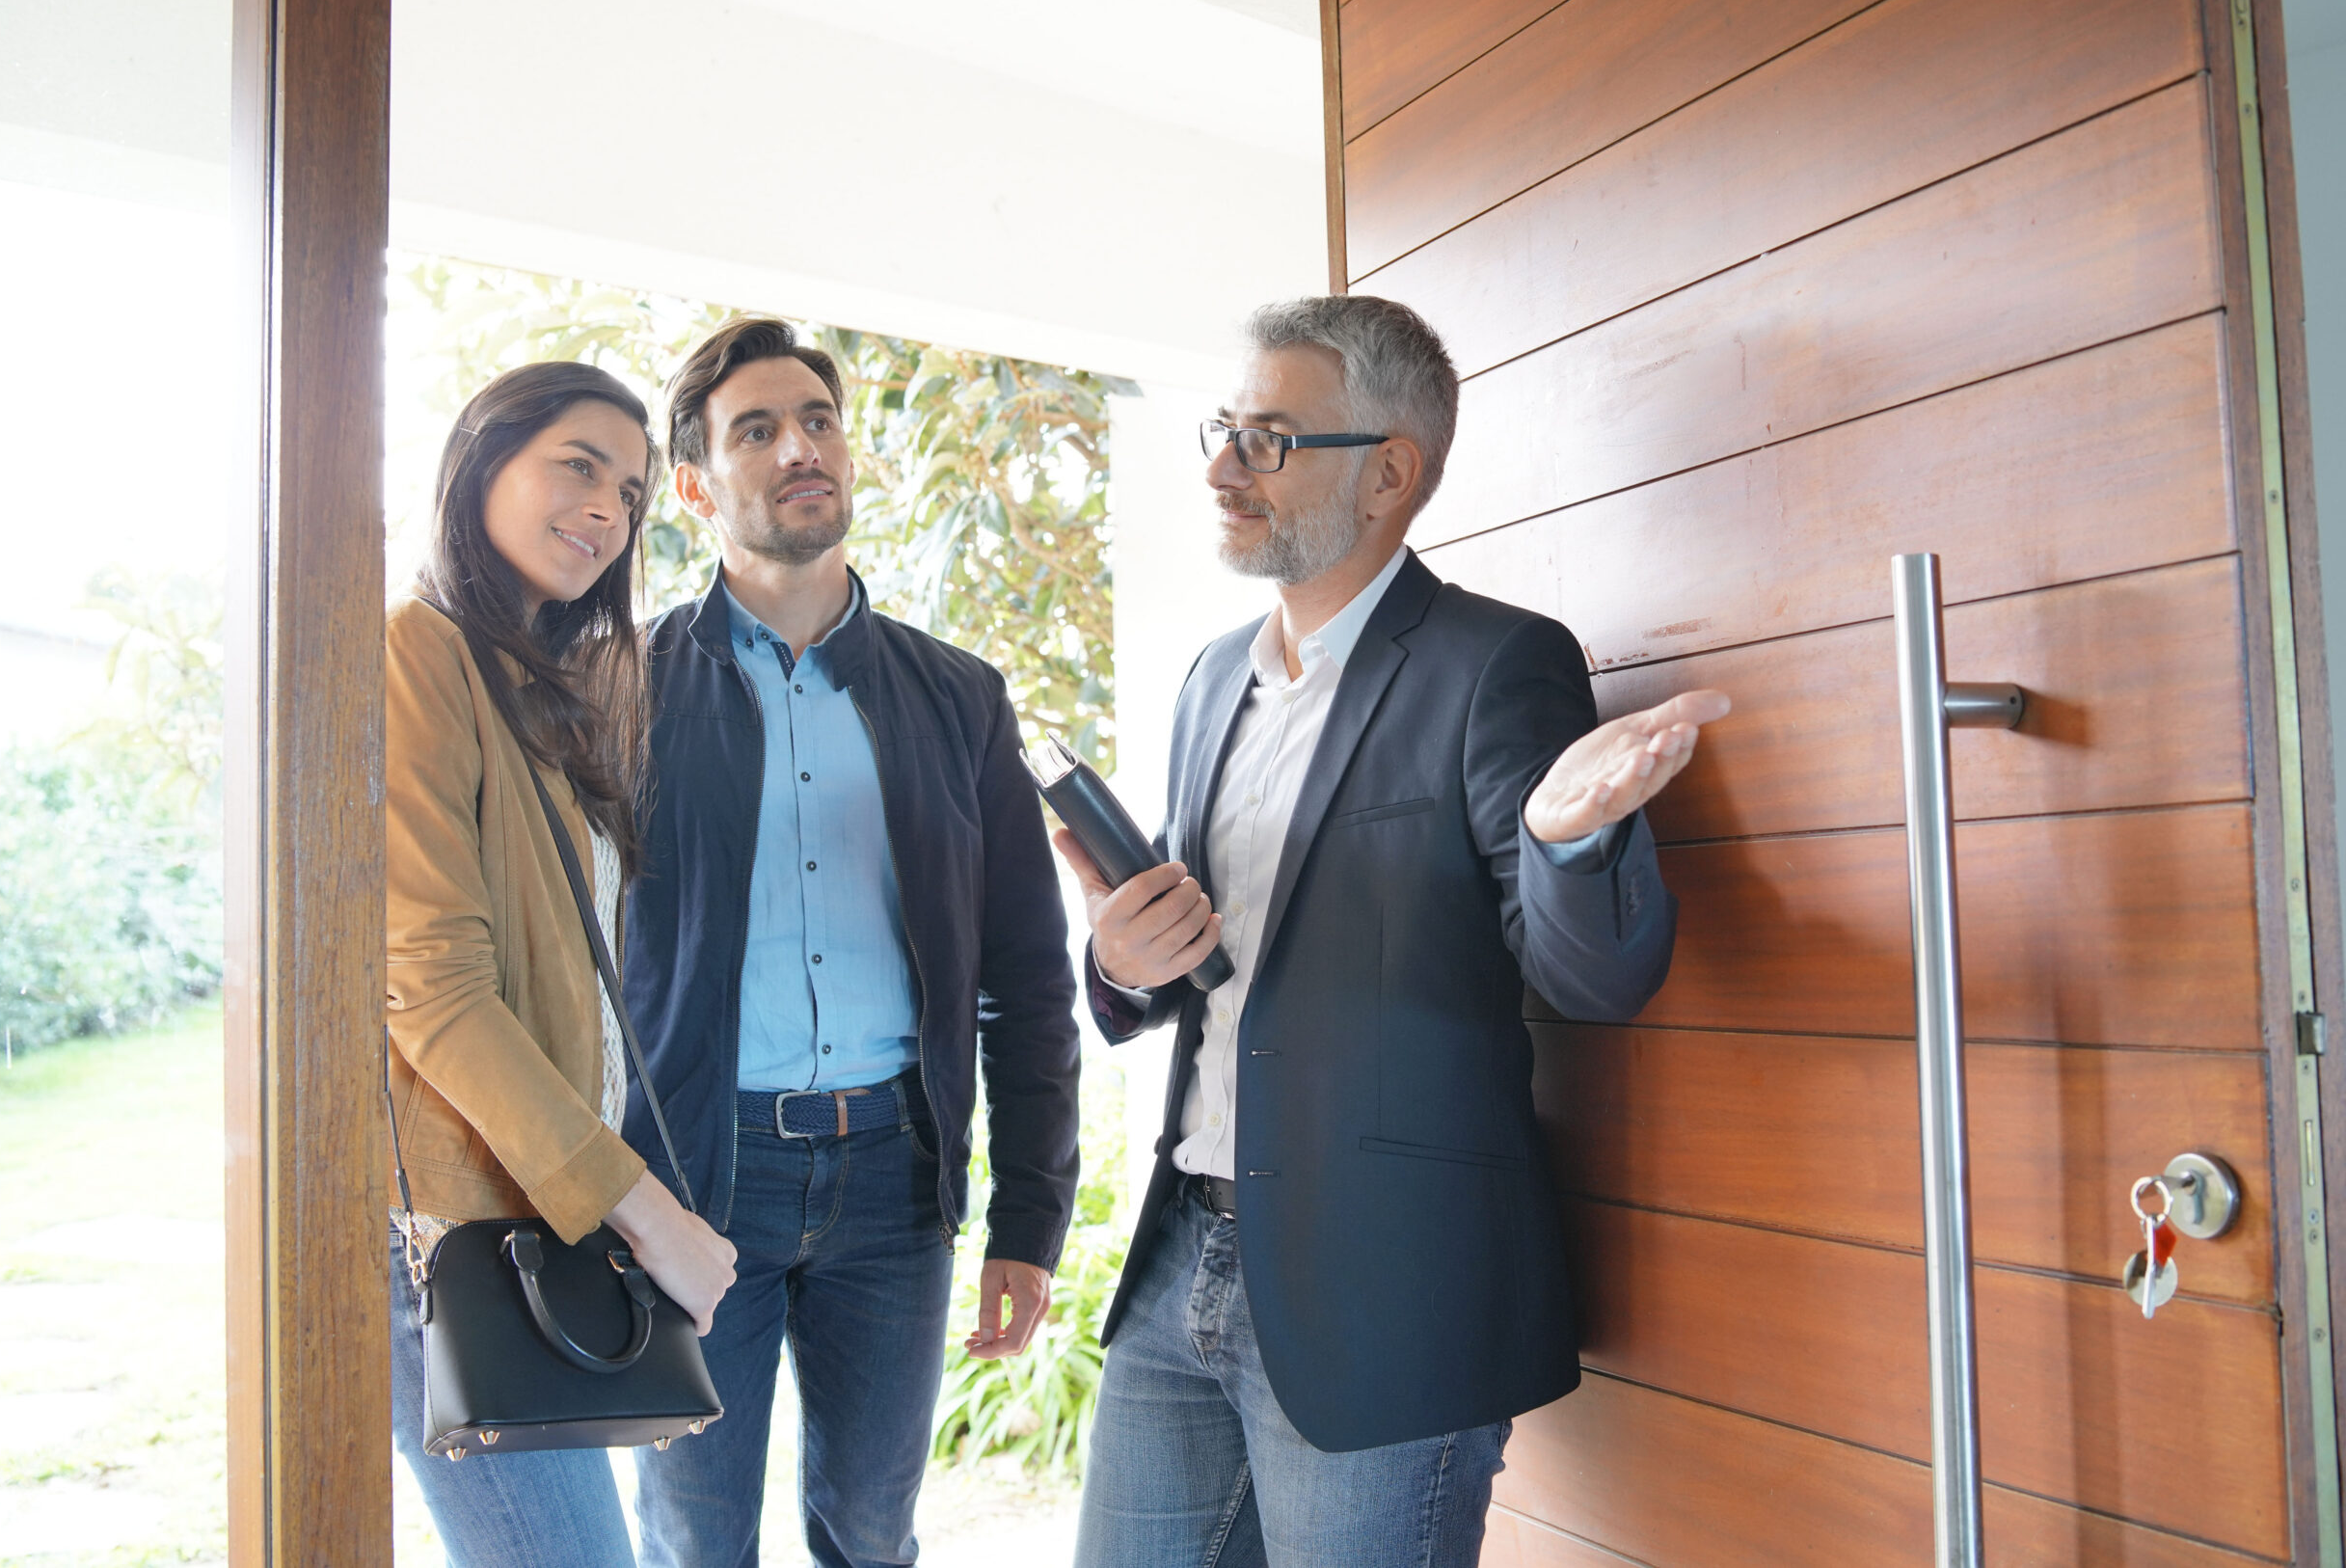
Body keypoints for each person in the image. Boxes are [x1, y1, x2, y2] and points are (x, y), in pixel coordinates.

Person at [1063, 296, 1730, 1567]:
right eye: (1223, 429)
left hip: (1384, 1292)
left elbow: (1596, 979)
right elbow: (1210, 971)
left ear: (1389, 472)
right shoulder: (1213, 678)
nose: (1219, 466)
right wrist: (1116, 960)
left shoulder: (1498, 665)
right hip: (1178, 1270)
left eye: (1265, 439)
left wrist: (1570, 841)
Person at [616, 318, 1082, 1568]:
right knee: (692, 1544)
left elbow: (1028, 981)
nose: (799, 448)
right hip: (693, 1182)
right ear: (700, 485)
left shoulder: (958, 697)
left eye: (817, 421)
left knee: (873, 1539)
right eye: (756, 430)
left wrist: (1030, 1215)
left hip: (894, 1183)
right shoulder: (624, 690)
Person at [385, 362, 740, 1568]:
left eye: (632, 492)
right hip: (449, 1228)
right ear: (483, 459)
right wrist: (647, 1212)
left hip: (526, 1209)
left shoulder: (535, 689)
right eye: (577, 465)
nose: (608, 508)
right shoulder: (416, 652)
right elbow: (431, 986)